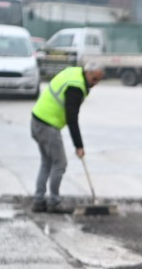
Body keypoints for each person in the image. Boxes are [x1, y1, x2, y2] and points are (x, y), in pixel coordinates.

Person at [30, 62, 104, 213]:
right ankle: (54, 202)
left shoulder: (76, 73)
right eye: (94, 79)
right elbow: (72, 118)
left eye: (99, 80)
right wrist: (79, 146)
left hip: (37, 121)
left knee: (47, 162)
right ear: (88, 73)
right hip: (47, 126)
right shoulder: (75, 87)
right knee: (60, 164)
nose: (95, 83)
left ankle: (38, 200)